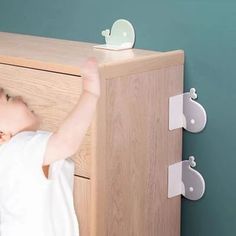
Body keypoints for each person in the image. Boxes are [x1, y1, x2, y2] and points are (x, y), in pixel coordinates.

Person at [0, 58, 100, 236]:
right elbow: (65, 142)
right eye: (8, 98)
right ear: (1, 134)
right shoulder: (20, 147)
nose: (20, 97)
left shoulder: (9, 155)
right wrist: (90, 91)